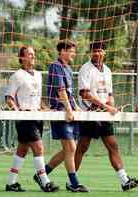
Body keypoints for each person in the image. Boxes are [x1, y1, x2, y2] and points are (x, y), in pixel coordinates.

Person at [76, 41, 138, 191]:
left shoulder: (107, 70)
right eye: (95, 51)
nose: (98, 53)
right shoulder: (85, 69)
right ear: (91, 53)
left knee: (113, 146)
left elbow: (110, 94)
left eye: (101, 51)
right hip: (90, 114)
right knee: (82, 147)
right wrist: (105, 106)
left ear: (105, 53)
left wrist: (112, 106)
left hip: (103, 115)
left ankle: (125, 181)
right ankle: (72, 179)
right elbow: (85, 94)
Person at [4, 46, 59, 192]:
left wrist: (44, 108)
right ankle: (44, 180)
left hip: (37, 117)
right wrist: (18, 111)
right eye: (29, 54)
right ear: (21, 58)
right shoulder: (17, 76)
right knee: (38, 147)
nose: (32, 57)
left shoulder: (39, 75)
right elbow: (9, 98)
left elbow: (38, 98)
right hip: (25, 118)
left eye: (33, 54)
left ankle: (11, 182)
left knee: (22, 150)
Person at [45, 40, 89, 192]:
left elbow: (70, 93)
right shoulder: (55, 66)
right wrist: (69, 110)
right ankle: (74, 183)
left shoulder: (68, 69)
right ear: (63, 51)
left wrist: (76, 108)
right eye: (71, 51)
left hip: (69, 111)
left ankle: (42, 174)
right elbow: (61, 90)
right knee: (70, 147)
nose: (74, 54)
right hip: (60, 112)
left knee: (69, 150)